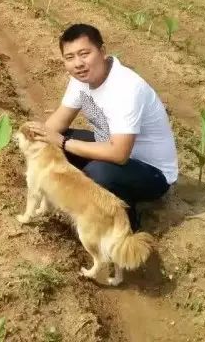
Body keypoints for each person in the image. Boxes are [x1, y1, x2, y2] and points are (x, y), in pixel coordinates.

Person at [27, 23, 178, 231]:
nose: (78, 63)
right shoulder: (79, 81)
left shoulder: (126, 88)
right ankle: (76, 205)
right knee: (56, 142)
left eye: (84, 54)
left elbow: (119, 154)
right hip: (112, 150)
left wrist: (62, 141)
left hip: (152, 173)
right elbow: (58, 123)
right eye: (69, 57)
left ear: (102, 52)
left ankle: (126, 223)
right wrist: (33, 139)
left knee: (97, 172)